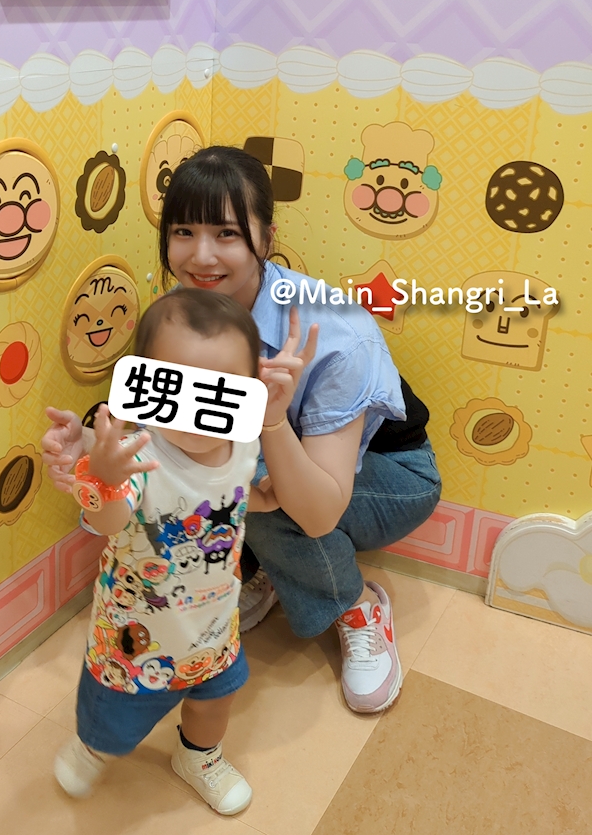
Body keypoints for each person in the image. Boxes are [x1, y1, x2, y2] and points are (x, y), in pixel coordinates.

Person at [44, 146, 440, 716]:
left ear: (267, 237)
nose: (201, 255)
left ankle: (353, 604)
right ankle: (274, 570)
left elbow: (319, 512)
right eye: (183, 232)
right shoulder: (182, 313)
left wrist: (271, 421)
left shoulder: (337, 332)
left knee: (245, 482)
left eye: (227, 233)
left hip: (392, 478)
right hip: (279, 470)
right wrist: (91, 448)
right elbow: (161, 438)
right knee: (220, 471)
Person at [51, 288, 315, 815]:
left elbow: (245, 495)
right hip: (134, 644)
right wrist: (102, 477)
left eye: (220, 390)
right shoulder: (139, 457)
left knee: (215, 702)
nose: (198, 410)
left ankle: (200, 757)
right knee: (112, 720)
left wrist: (271, 470)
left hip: (214, 630)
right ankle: (92, 747)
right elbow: (110, 520)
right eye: (178, 387)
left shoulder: (243, 445)